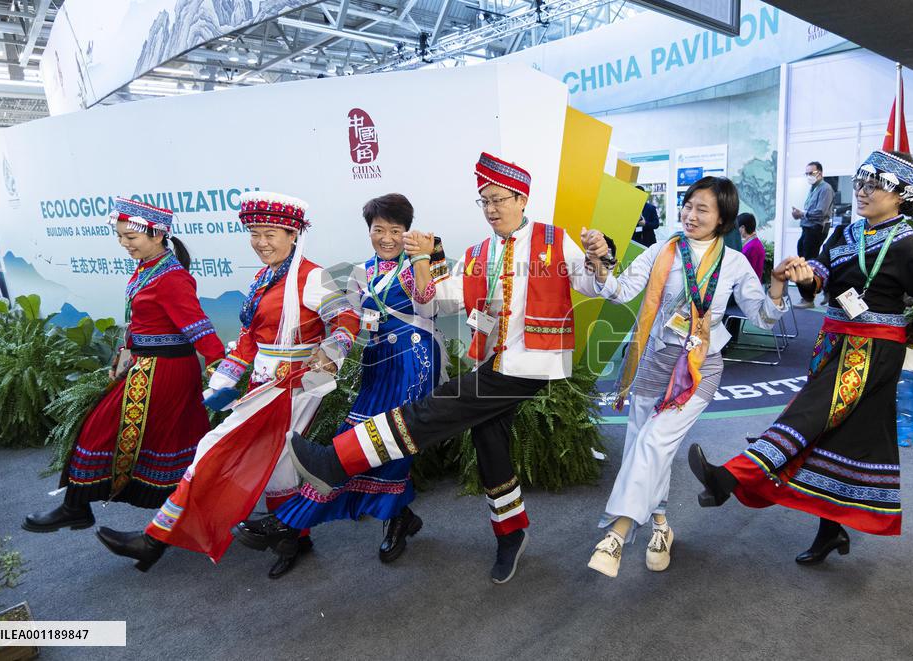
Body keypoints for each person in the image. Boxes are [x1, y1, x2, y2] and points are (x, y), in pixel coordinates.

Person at [283, 152, 612, 584]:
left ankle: (335, 460)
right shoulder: (478, 254)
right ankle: (511, 533)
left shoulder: (555, 241)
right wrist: (422, 260)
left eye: (498, 199)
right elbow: (439, 300)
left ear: (521, 198)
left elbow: (596, 285)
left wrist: (599, 257)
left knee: (432, 410)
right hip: (496, 360)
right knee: (489, 440)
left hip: (532, 363)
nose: (491, 209)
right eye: (484, 202)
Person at [689, 151, 913, 564]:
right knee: (837, 437)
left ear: (901, 196)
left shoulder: (910, 244)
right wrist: (802, 275)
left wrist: (900, 339)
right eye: (861, 183)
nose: (862, 192)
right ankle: (830, 532)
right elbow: (821, 276)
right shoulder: (848, 233)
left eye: (874, 186)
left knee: (808, 415)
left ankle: (728, 479)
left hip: (870, 351)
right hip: (831, 342)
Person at [95, 191, 360, 571]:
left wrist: (331, 352)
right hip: (264, 382)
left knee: (213, 450)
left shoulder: (310, 276)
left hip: (294, 385)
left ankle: (154, 540)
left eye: (270, 234)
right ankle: (292, 540)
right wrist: (223, 380)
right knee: (281, 467)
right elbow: (250, 337)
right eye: (254, 233)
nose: (261, 243)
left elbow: (345, 318)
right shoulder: (263, 277)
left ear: (293, 235)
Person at [585, 177, 801, 578]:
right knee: (645, 448)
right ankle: (661, 527)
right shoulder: (660, 250)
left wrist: (777, 285)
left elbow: (764, 318)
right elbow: (617, 291)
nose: (690, 214)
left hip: (702, 367)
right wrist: (600, 262)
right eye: (688, 205)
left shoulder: (734, 262)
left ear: (723, 218)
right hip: (653, 361)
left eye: (703, 209)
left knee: (653, 441)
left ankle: (617, 532)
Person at [234, 193, 445, 579]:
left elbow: (431, 307)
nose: (386, 238)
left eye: (395, 230)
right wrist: (328, 356)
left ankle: (292, 521)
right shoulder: (361, 271)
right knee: (358, 441)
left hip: (414, 363)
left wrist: (423, 260)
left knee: (389, 444)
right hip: (377, 363)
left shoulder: (426, 259)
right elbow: (347, 321)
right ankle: (401, 516)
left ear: (407, 230)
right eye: (378, 229)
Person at [23, 198, 224, 533]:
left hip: (165, 371)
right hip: (149, 366)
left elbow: (197, 326)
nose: (124, 244)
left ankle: (79, 508)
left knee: (101, 429)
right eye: (120, 237)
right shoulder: (148, 269)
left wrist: (221, 367)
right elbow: (141, 321)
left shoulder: (171, 277)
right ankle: (186, 516)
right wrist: (124, 352)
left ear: (158, 235)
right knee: (170, 440)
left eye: (130, 238)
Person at [792, 161, 834, 308]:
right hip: (807, 229)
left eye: (811, 173)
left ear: (820, 173)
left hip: (816, 229)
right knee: (804, 262)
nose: (809, 176)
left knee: (808, 265)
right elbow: (811, 212)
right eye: (807, 173)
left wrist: (802, 214)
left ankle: (808, 298)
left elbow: (820, 212)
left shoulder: (825, 188)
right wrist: (800, 215)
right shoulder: (814, 188)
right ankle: (825, 291)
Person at [737, 212, 765, 279]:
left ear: (743, 228)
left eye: (738, 228)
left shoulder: (752, 247)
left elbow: (747, 272)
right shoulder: (755, 243)